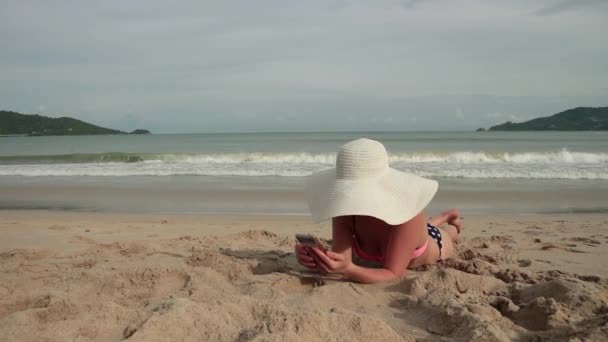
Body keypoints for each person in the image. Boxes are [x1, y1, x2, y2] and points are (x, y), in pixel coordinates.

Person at [295, 138, 462, 284]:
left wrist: (349, 270)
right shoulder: (345, 208)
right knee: (423, 227)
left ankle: (449, 218)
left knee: (448, 232)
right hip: (412, 234)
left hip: (437, 243)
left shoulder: (407, 213)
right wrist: (316, 259)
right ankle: (445, 215)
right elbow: (342, 258)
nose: (351, 196)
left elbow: (392, 273)